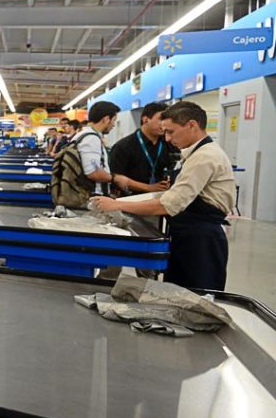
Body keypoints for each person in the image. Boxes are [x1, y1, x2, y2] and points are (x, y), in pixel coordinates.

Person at [92, 101, 235, 291]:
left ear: (192, 125)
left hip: (201, 242)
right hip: (188, 234)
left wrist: (117, 205)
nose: (167, 138)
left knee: (195, 298)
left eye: (171, 132)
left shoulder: (204, 157)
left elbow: (167, 205)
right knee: (176, 295)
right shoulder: (195, 154)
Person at [108, 101, 178, 195]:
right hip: (131, 200)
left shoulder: (170, 144)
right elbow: (116, 178)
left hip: (162, 198)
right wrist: (149, 188)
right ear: (145, 119)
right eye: (161, 119)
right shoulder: (123, 147)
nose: (164, 124)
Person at [75, 101, 130, 197]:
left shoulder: (83, 135)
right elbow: (93, 173)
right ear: (106, 119)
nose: (113, 124)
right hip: (92, 195)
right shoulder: (91, 138)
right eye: (114, 120)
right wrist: (115, 178)